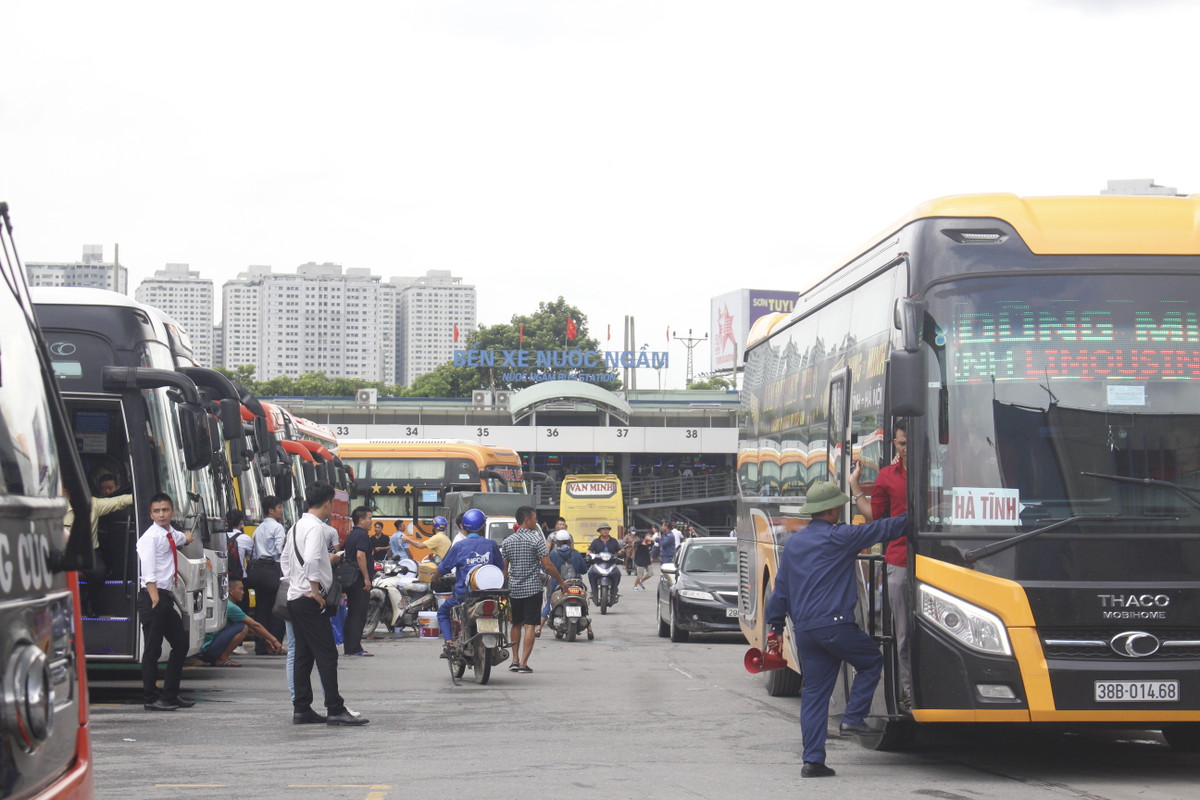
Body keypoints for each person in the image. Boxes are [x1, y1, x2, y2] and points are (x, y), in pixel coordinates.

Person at [765, 479, 907, 778]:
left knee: (815, 694)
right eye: (839, 507)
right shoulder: (838, 536)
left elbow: (780, 590)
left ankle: (812, 761)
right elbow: (881, 529)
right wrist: (917, 517)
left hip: (805, 631)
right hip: (836, 626)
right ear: (831, 510)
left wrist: (775, 627)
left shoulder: (793, 545)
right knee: (871, 662)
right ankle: (853, 717)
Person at [281, 481, 369, 726]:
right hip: (309, 599)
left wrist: (295, 584)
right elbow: (310, 559)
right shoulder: (317, 528)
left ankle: (302, 708)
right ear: (328, 503)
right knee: (327, 653)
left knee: (303, 654)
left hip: (295, 598)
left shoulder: (296, 526)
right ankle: (335, 708)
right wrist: (313, 588)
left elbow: (285, 559)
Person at [852, 421, 912, 710]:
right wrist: (854, 485)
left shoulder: (945, 471)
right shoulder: (888, 476)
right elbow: (875, 516)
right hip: (900, 560)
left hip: (942, 558)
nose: (907, 449)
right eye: (902, 444)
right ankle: (909, 691)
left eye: (912, 443)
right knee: (903, 632)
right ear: (895, 445)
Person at [136, 492, 196, 711]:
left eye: (165, 510)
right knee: (152, 649)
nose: (161, 515)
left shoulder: (170, 533)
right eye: (156, 511)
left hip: (166, 597)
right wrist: (154, 600)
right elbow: (148, 574)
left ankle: (170, 695)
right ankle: (150, 698)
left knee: (181, 644)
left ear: (172, 512)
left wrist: (188, 538)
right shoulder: (149, 539)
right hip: (153, 596)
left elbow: (182, 538)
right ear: (151, 514)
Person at [502, 505, 568, 673]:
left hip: (514, 589)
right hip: (532, 589)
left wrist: (503, 587)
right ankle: (524, 663)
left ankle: (515, 660)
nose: (535, 521)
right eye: (534, 518)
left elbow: (504, 569)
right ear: (527, 520)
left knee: (515, 624)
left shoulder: (507, 541)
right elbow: (548, 566)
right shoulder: (536, 540)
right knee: (530, 625)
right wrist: (561, 581)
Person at [435, 508, 505, 659]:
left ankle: (449, 643)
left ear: (464, 527)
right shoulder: (491, 544)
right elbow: (500, 568)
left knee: (442, 612)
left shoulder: (459, 546)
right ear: (482, 527)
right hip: (489, 595)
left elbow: (444, 567)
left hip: (464, 596)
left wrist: (434, 577)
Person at [63, 486, 134, 617]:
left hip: (89, 553)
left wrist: (141, 496)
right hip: (65, 553)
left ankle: (90, 600)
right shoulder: (57, 509)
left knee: (100, 572)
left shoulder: (93, 504)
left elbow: (119, 501)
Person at [198, 579, 283, 665]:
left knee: (245, 626)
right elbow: (254, 625)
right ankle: (222, 659)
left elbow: (252, 628)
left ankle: (220, 657)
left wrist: (266, 639)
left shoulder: (224, 603)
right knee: (243, 627)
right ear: (231, 591)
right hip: (209, 650)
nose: (243, 592)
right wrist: (274, 640)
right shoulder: (231, 607)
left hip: (206, 649)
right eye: (240, 589)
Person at [246, 495, 287, 655]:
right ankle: (275, 645)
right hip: (273, 570)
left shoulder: (258, 529)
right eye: (279, 508)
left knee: (261, 610)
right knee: (277, 610)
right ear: (271, 510)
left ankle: (261, 646)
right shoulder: (277, 528)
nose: (281, 511)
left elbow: (253, 551)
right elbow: (280, 551)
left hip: (259, 572)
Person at [539, 530, 593, 640]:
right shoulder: (576, 553)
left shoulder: (553, 554)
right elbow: (583, 570)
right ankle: (590, 630)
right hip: (576, 584)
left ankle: (538, 628)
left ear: (557, 542)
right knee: (584, 605)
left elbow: (546, 569)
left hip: (557, 585)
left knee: (549, 603)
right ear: (569, 541)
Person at [341, 506, 375, 657]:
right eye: (369, 518)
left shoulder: (352, 534)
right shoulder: (362, 535)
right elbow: (360, 556)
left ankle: (350, 646)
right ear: (361, 520)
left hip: (351, 579)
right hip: (359, 579)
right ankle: (354, 647)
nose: (371, 522)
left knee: (352, 613)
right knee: (359, 614)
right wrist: (366, 578)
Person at [226, 509, 253, 616]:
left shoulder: (219, 537)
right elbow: (252, 557)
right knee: (243, 609)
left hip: (225, 578)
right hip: (240, 578)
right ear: (241, 522)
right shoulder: (245, 538)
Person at [586, 523, 623, 598]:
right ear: (599, 531)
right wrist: (588, 555)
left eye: (607, 529)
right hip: (598, 564)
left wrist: (622, 552)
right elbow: (589, 551)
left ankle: (614, 589)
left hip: (611, 564)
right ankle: (593, 590)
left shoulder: (614, 541)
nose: (605, 531)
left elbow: (618, 551)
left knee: (618, 574)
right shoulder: (596, 541)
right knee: (590, 573)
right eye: (603, 529)